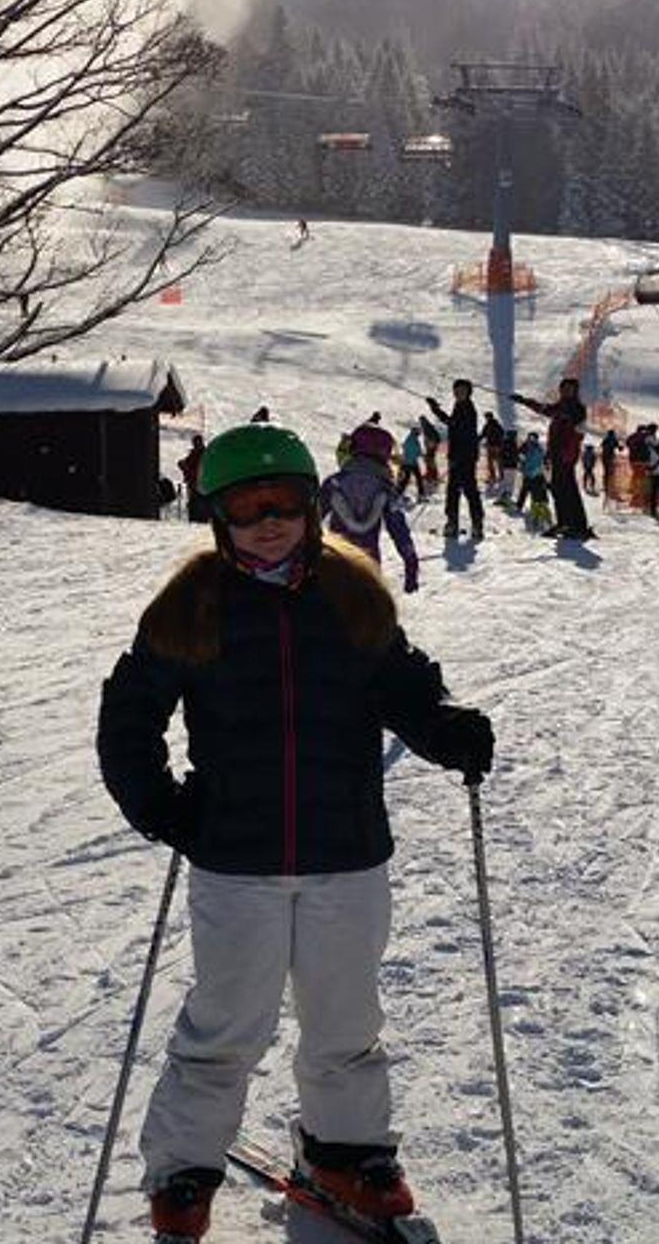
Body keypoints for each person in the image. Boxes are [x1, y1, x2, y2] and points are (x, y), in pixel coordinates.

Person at [96, 421, 494, 1242]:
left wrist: (444, 727)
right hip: (235, 861)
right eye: (247, 509)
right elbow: (129, 717)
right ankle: (182, 1167)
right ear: (219, 518)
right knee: (226, 1025)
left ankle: (346, 1152)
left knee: (345, 1020)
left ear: (312, 507)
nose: (268, 523)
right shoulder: (192, 604)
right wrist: (160, 806)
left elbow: (404, 686)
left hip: (346, 854)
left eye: (283, 504)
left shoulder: (350, 594)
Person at [320, 423, 422, 594]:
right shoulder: (385, 490)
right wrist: (411, 564)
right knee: (366, 606)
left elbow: (309, 520)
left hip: (335, 561)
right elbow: (399, 531)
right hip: (369, 566)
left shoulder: (334, 483)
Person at [511, 377, 593, 539]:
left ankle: (577, 525)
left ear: (575, 391)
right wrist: (524, 401)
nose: (565, 391)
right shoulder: (561, 406)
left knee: (568, 489)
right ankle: (564, 522)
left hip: (567, 455)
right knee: (557, 488)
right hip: (556, 454)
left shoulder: (577, 409)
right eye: (563, 388)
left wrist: (560, 415)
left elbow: (574, 428)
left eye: (569, 389)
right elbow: (545, 409)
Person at [426, 381, 484, 541]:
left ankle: (473, 524)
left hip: (465, 457)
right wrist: (436, 410)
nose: (458, 393)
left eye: (462, 390)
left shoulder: (467, 408)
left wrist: (436, 410)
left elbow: (458, 428)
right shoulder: (459, 406)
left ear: (468, 392)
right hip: (460, 456)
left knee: (466, 491)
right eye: (456, 390)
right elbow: (453, 424)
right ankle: (457, 523)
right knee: (457, 491)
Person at [179, 435, 211, 524]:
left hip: (200, 484)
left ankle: (200, 520)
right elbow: (187, 463)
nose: (196, 445)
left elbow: (200, 469)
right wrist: (183, 465)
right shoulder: (194, 454)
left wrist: (187, 468)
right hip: (194, 484)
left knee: (200, 505)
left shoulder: (204, 454)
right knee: (194, 505)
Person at [480, 411, 507, 488]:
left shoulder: (491, 425)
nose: (486, 418)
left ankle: (495, 477)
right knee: (496, 462)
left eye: (487, 417)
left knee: (493, 462)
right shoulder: (495, 425)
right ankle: (498, 476)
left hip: (493, 446)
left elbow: (483, 434)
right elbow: (483, 434)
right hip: (495, 446)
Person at [598, 428, 621, 510]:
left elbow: (601, 446)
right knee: (611, 472)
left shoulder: (606, 439)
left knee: (606, 471)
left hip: (604, 457)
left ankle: (605, 484)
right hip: (610, 457)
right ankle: (609, 485)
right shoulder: (613, 439)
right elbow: (619, 448)